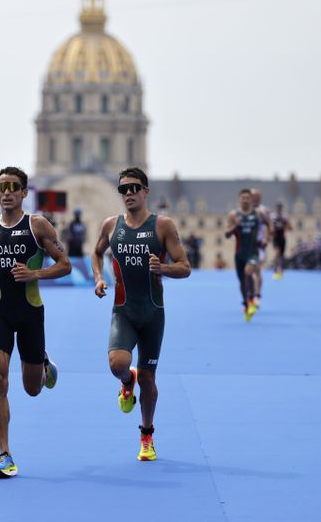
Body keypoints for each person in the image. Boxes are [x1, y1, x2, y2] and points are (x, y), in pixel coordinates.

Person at [0, 166, 71, 479]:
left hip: (31, 312)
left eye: (13, 187)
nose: (6, 192)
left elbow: (65, 265)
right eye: (1, 187)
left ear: (23, 193)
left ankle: (43, 365)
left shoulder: (37, 225)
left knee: (32, 388)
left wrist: (35, 274)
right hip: (0, 312)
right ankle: (5, 455)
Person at [91, 167, 190, 463]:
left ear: (146, 192)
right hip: (123, 311)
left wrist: (164, 268)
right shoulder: (111, 226)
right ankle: (125, 381)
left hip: (152, 313)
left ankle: (146, 434)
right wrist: (98, 277)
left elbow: (185, 267)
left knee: (149, 379)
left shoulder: (163, 226)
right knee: (117, 363)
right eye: (124, 189)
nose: (129, 193)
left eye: (135, 188)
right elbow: (96, 253)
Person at [225, 189, 263, 321]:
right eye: (243, 198)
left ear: (251, 200)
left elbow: (270, 226)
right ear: (239, 200)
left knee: (249, 272)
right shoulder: (234, 215)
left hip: (253, 251)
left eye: (248, 197)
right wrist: (235, 225)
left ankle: (252, 299)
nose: (245, 200)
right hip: (239, 252)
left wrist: (266, 239)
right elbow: (227, 234)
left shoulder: (258, 214)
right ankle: (246, 303)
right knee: (242, 281)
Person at [250, 189, 272, 302]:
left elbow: (270, 227)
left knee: (256, 270)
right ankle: (251, 293)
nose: (254, 198)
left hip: (259, 245)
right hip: (247, 245)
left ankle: (257, 294)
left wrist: (266, 239)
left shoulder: (264, 211)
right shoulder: (245, 210)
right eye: (252, 196)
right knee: (248, 271)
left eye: (256, 196)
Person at [271, 202, 292, 279]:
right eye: (278, 207)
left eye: (280, 207)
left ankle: (281, 268)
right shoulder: (273, 216)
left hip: (282, 238)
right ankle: (275, 268)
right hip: (276, 237)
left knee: (281, 255)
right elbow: (270, 226)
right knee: (277, 252)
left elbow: (290, 227)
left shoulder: (285, 217)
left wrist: (286, 226)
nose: (279, 209)